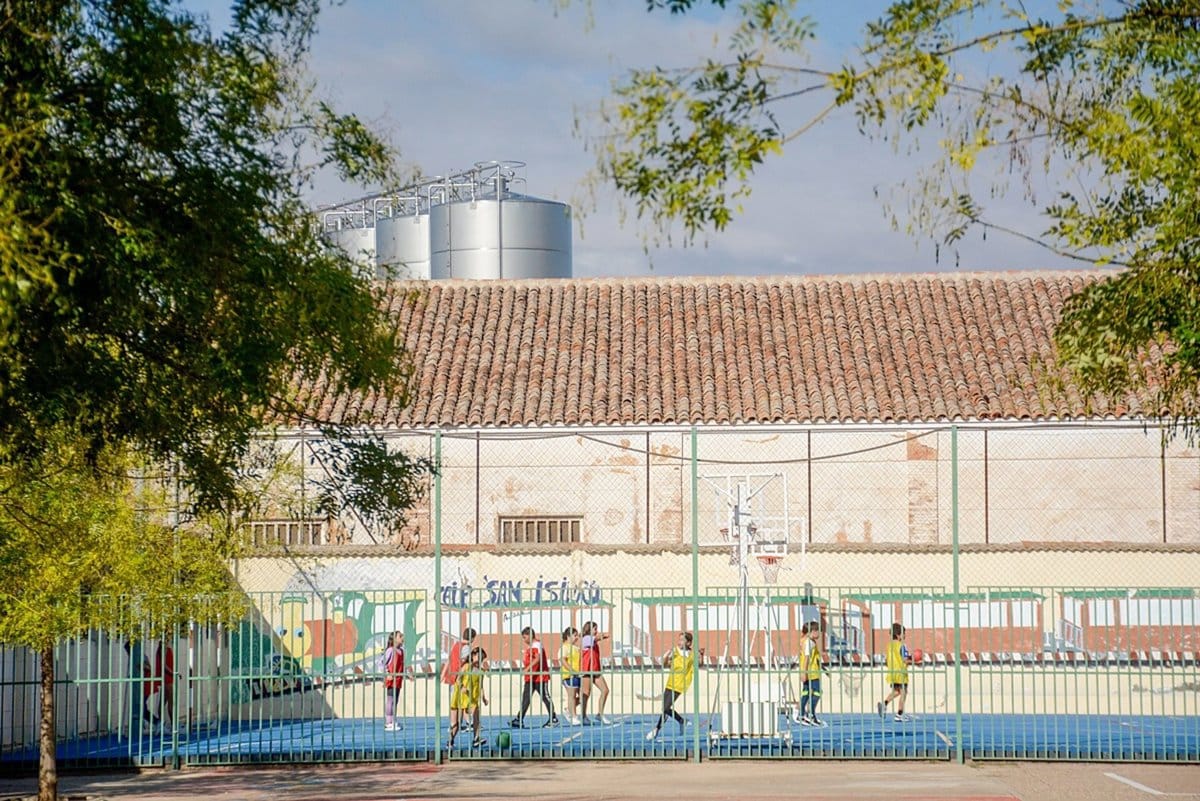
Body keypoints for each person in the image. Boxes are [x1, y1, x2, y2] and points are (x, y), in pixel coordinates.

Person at [646, 631, 701, 740]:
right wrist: (667, 656)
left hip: (681, 684)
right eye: (679, 639)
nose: (680, 642)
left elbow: (698, 665)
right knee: (665, 708)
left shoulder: (692, 654)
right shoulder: (675, 651)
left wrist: (701, 657)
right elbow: (664, 664)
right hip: (671, 682)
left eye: (682, 640)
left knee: (666, 707)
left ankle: (656, 729)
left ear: (689, 643)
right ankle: (681, 721)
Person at [511, 626, 558, 728]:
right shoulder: (532, 646)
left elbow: (537, 659)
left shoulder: (536, 645)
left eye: (524, 637)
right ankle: (519, 719)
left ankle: (553, 718)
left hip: (540, 677)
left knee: (545, 697)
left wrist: (528, 668)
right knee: (526, 698)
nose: (524, 640)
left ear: (529, 635)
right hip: (531, 677)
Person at [449, 646, 489, 749]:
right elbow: (458, 678)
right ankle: (450, 741)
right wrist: (462, 687)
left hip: (472, 698)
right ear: (473, 656)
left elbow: (480, 685)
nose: (479, 660)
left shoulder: (480, 671)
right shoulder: (467, 666)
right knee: (457, 723)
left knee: (476, 717)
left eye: (482, 658)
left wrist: (483, 698)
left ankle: (476, 738)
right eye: (478, 657)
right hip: (461, 696)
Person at [441, 627, 477, 732]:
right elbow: (465, 663)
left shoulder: (456, 645)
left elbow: (449, 660)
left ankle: (462, 723)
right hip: (459, 678)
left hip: (452, 676)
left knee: (458, 702)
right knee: (461, 701)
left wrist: (443, 674)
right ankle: (459, 724)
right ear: (472, 638)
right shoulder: (466, 648)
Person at [579, 620, 611, 725]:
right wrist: (604, 636)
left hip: (595, 669)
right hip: (587, 669)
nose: (596, 631)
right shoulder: (586, 639)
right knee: (586, 693)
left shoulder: (593, 642)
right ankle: (583, 716)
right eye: (595, 629)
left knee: (605, 690)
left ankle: (600, 714)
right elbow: (596, 638)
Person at [878, 622, 911, 722]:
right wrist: (915, 660)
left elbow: (887, 660)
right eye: (903, 633)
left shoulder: (889, 646)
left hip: (892, 673)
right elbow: (905, 660)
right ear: (898, 635)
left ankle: (884, 703)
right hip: (901, 673)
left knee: (897, 691)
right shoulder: (902, 646)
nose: (905, 635)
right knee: (904, 693)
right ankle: (899, 714)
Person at [797, 621, 828, 727]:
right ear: (812, 631)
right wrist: (803, 672)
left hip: (812, 670)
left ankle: (802, 714)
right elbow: (806, 658)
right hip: (811, 672)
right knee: (817, 692)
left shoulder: (806, 641)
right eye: (817, 630)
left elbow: (814, 658)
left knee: (806, 692)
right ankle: (809, 714)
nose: (819, 633)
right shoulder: (808, 643)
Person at [382, 630, 407, 731]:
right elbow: (381, 663)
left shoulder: (401, 651)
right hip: (391, 679)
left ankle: (393, 720)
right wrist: (387, 673)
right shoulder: (390, 651)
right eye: (400, 636)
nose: (402, 637)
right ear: (395, 639)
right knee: (390, 700)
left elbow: (402, 664)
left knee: (395, 701)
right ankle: (388, 722)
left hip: (398, 679)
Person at [558, 627, 582, 725]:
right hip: (569, 675)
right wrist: (571, 670)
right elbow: (562, 660)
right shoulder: (564, 648)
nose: (577, 638)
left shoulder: (576, 648)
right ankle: (574, 716)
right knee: (571, 696)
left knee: (581, 697)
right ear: (568, 636)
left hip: (578, 675)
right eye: (575, 635)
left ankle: (568, 709)